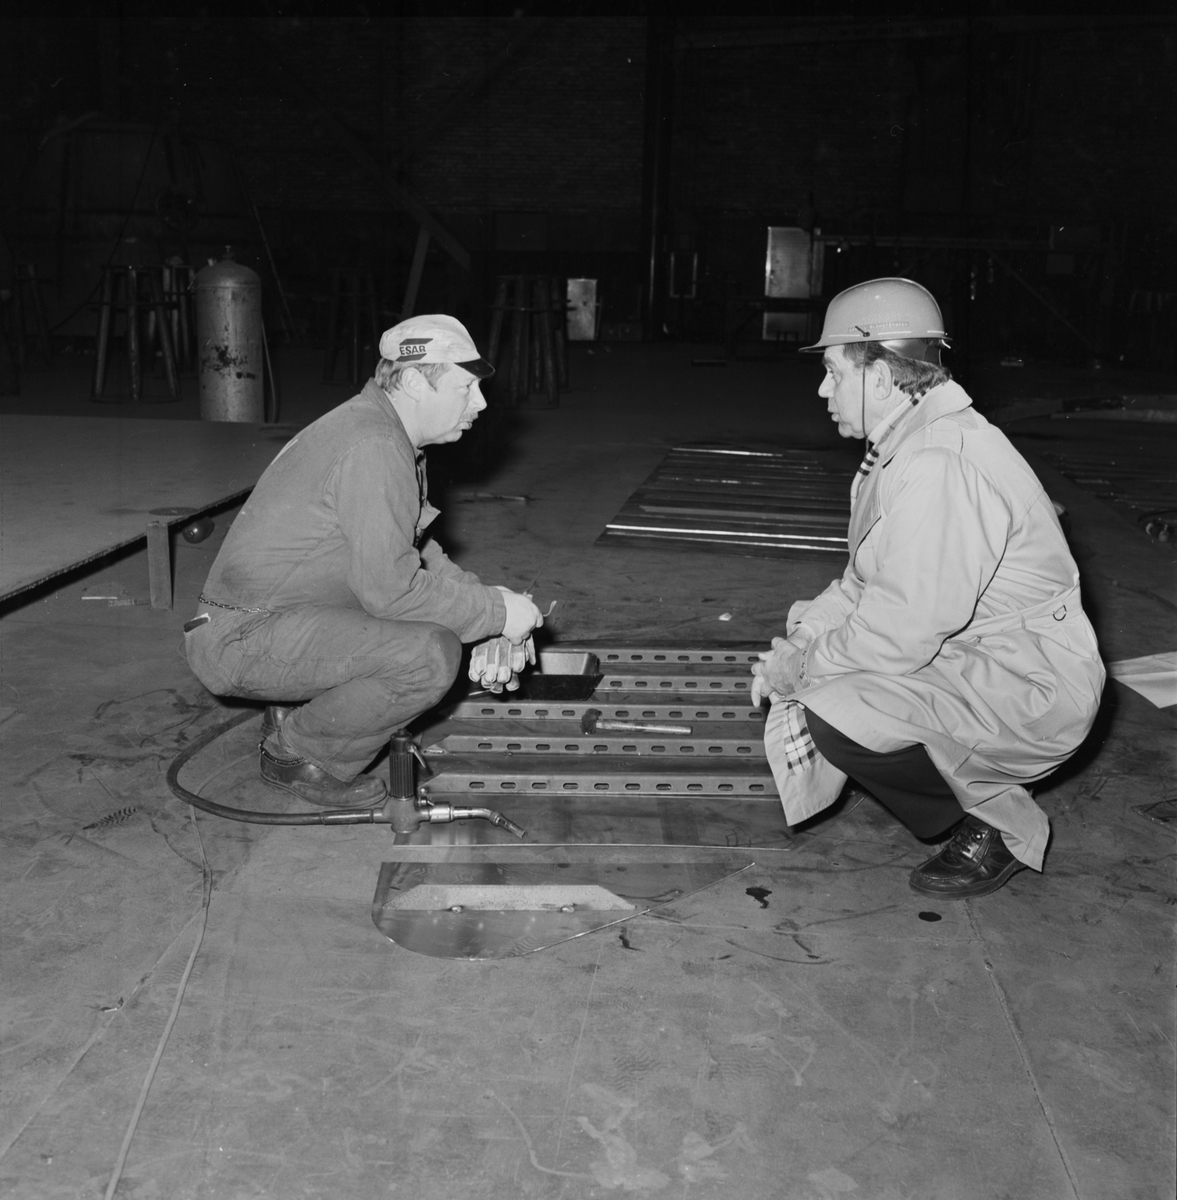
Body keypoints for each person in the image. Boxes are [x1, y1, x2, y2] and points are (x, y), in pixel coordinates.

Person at [751, 278, 1104, 899]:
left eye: (833, 372)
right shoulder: (906, 446)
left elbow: (901, 629)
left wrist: (803, 668)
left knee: (832, 709)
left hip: (1029, 686)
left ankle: (997, 823)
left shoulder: (939, 464)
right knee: (819, 652)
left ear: (880, 377)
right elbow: (863, 583)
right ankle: (958, 774)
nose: (823, 389)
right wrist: (802, 640)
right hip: (984, 656)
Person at [183, 314, 543, 806]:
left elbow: (418, 554)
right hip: (241, 639)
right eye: (465, 387)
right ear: (414, 382)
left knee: (426, 619)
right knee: (428, 655)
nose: (480, 402)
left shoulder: (381, 432)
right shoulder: (375, 446)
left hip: (267, 620)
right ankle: (300, 753)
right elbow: (392, 591)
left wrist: (490, 610)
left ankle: (302, 711)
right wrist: (496, 614)